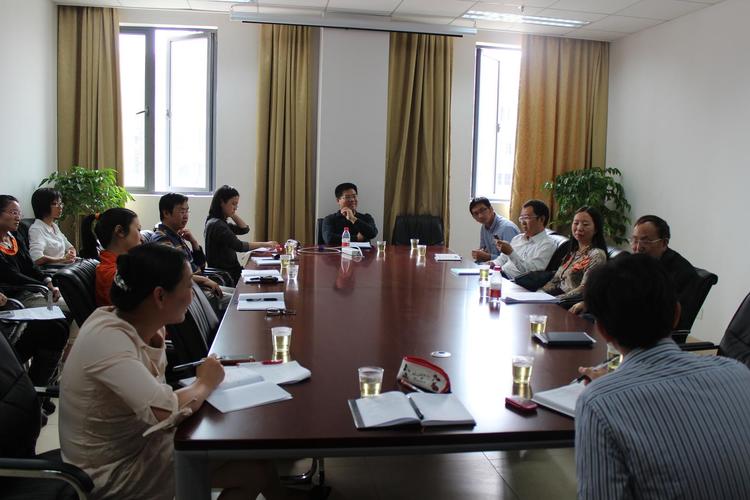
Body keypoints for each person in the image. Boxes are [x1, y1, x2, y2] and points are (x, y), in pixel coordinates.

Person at [60, 244, 292, 500]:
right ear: (160, 296)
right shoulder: (108, 339)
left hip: (145, 441)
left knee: (258, 460)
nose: (192, 296)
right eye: (188, 286)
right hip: (110, 471)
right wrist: (205, 382)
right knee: (253, 471)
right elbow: (164, 409)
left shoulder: (144, 324)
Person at [575, 253, 750, 499]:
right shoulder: (738, 372)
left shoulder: (597, 403)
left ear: (602, 330)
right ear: (676, 314)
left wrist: (609, 389)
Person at [0, 195, 69, 391]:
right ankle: (35, 386)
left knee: (60, 324)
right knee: (59, 323)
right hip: (14, 298)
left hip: (29, 292)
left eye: (19, 213)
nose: (18, 217)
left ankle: (41, 385)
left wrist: (47, 282)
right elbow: (11, 276)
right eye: (13, 212)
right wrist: (39, 285)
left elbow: (30, 266)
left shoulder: (14, 237)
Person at [153, 193, 232, 315]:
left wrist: (193, 242)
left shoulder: (176, 235)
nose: (185, 216)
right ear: (166, 213)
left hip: (198, 286)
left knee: (240, 295)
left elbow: (201, 266)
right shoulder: (162, 238)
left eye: (187, 211)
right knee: (238, 301)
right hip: (193, 291)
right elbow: (175, 274)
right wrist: (204, 280)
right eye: (181, 211)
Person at [204, 185, 278, 285]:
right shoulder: (217, 225)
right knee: (269, 279)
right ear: (221, 202)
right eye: (233, 204)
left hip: (232, 273)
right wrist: (266, 244)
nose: (235, 208)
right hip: (227, 276)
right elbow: (239, 246)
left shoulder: (218, 222)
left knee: (269, 275)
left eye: (236, 205)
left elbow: (244, 229)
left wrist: (232, 213)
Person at [541, 206, 607, 306]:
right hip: (555, 299)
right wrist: (540, 293)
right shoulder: (573, 251)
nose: (579, 228)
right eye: (576, 223)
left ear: (596, 229)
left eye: (585, 224)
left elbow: (584, 289)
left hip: (570, 304)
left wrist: (555, 300)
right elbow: (555, 280)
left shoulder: (597, 255)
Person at [80, 208, 141, 306]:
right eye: (138, 230)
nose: (141, 237)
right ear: (120, 231)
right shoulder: (111, 274)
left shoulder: (122, 265)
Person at [491, 199, 556, 278]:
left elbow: (531, 273)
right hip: (500, 275)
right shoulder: (517, 238)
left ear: (541, 219)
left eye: (527, 218)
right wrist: (491, 264)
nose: (523, 222)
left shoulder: (547, 245)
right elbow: (502, 259)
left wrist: (511, 253)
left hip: (515, 282)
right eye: (521, 218)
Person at [27, 187, 77, 266]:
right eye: (55, 204)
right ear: (43, 206)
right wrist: (63, 259)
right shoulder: (36, 229)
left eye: (60, 203)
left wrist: (72, 255)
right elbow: (37, 258)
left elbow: (70, 247)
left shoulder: (54, 226)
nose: (60, 207)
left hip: (65, 266)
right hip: (53, 270)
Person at [469, 197, 519, 262]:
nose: (480, 216)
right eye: (476, 214)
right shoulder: (484, 227)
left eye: (482, 210)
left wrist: (489, 257)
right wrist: (479, 254)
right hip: (491, 265)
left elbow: (512, 259)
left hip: (507, 268)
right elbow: (483, 250)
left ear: (491, 209)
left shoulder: (507, 228)